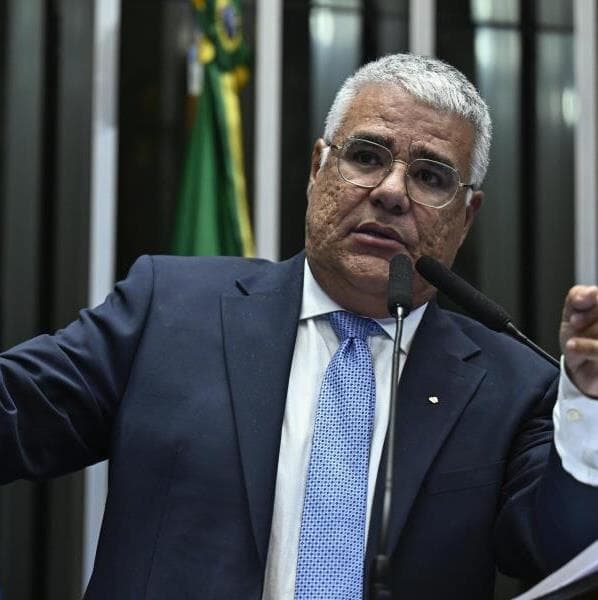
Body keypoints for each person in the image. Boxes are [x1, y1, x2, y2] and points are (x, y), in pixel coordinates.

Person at [2, 53, 598, 599]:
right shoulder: (169, 309)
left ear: (466, 217)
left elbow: (562, 552)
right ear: (318, 169)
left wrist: (590, 404)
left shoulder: (514, 385)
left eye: (431, 177)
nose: (391, 192)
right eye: (367, 156)